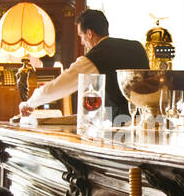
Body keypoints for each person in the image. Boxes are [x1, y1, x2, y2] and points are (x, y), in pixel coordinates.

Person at [19, 9, 149, 120]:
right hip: (145, 122)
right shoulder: (136, 47)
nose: (82, 42)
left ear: (89, 33)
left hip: (119, 125)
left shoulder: (96, 56)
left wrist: (30, 103)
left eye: (81, 36)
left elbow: (61, 85)